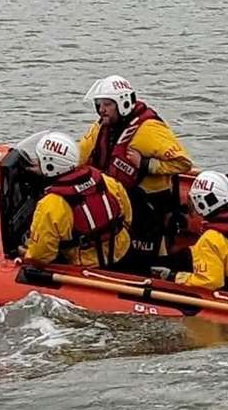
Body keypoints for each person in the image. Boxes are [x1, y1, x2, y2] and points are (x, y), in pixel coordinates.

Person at [78, 75, 194, 272]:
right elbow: (81, 153)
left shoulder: (149, 129)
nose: (101, 110)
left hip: (147, 203)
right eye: (99, 104)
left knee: (149, 256)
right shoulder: (102, 126)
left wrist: (147, 164)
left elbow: (183, 162)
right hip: (118, 199)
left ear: (122, 103)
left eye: (107, 104)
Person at [16, 130, 131, 268]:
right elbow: (127, 216)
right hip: (122, 250)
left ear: (50, 165)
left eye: (39, 160)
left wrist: (25, 252)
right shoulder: (105, 181)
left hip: (88, 265)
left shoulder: (50, 205)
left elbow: (40, 256)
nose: (35, 163)